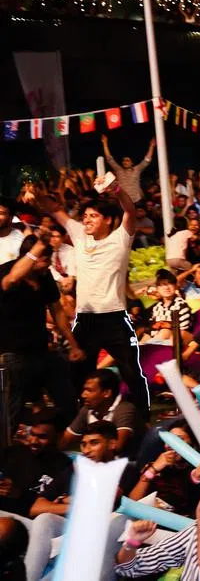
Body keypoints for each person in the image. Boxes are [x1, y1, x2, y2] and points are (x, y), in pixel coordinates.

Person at [38, 185, 147, 415]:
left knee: (131, 371)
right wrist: (37, 195)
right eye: (85, 216)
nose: (86, 220)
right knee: (78, 371)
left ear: (108, 220)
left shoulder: (121, 238)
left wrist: (116, 189)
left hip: (115, 318)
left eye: (93, 216)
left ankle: (142, 417)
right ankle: (83, 418)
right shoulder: (79, 235)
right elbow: (55, 210)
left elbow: (129, 210)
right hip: (86, 319)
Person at [25, 421, 137, 581]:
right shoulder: (72, 469)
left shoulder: (124, 470)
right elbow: (35, 508)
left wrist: (64, 500)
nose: (86, 450)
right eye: (83, 444)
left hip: (96, 539)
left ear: (112, 444)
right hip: (66, 531)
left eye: (94, 443)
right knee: (44, 519)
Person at [0, 235, 79, 427]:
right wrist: (40, 245)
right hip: (12, 354)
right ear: (32, 257)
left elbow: (57, 311)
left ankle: (73, 433)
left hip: (41, 350)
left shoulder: (44, 277)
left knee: (66, 396)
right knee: (12, 408)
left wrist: (73, 345)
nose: (48, 264)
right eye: (45, 259)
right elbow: (11, 281)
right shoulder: (6, 271)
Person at [0, 411, 71, 522]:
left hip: (26, 522)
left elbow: (52, 505)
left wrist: (19, 494)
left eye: (42, 437)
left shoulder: (65, 468)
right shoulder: (11, 453)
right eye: (32, 434)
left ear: (59, 436)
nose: (33, 441)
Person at [60, 369, 140, 456]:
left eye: (89, 390)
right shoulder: (87, 410)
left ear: (106, 393)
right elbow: (65, 440)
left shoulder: (125, 409)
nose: (83, 395)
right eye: (84, 390)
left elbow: (116, 447)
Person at [100, 135, 155, 203]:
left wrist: (151, 146)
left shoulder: (137, 169)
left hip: (137, 200)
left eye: (127, 160)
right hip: (123, 201)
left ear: (132, 163)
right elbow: (109, 159)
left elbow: (147, 160)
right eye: (123, 160)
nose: (124, 162)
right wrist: (105, 143)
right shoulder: (119, 170)